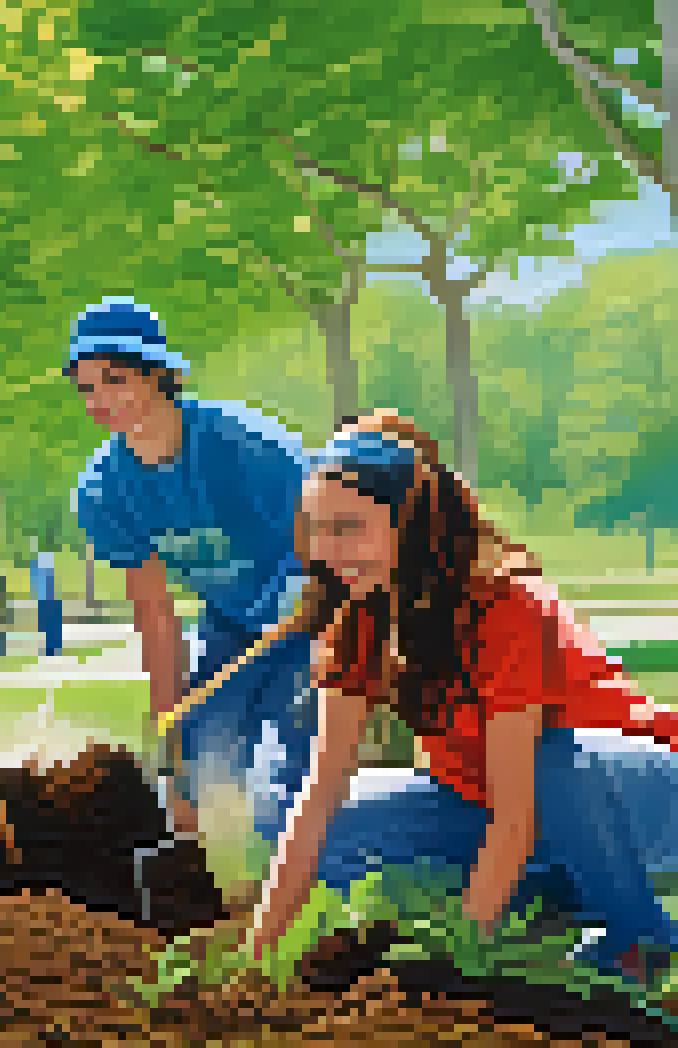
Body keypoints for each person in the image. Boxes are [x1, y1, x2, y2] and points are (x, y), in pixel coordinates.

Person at [249, 412, 678, 982]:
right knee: (322, 825)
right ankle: (553, 902)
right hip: (496, 801)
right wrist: (252, 963)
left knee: (549, 760)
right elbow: (320, 796)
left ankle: (637, 938)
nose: (326, 550)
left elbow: (516, 818)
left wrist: (455, 968)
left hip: (632, 793)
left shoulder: (509, 606)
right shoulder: (359, 616)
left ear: (414, 524)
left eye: (348, 527)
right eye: (317, 528)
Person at [66, 298, 312, 845]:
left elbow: (333, 546)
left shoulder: (253, 448)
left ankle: (316, 890)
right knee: (203, 760)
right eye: (87, 388)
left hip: (315, 613)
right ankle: (221, 896)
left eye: (116, 379)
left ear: (162, 376)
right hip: (230, 624)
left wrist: (307, 614)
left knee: (294, 752)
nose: (102, 399)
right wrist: (171, 729)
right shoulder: (105, 491)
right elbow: (156, 617)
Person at [31, 542, 64, 658]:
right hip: (49, 599)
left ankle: (52, 649)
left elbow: (35, 582)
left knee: (50, 625)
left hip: (47, 599)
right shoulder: (41, 563)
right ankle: (53, 649)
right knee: (51, 625)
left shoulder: (38, 564)